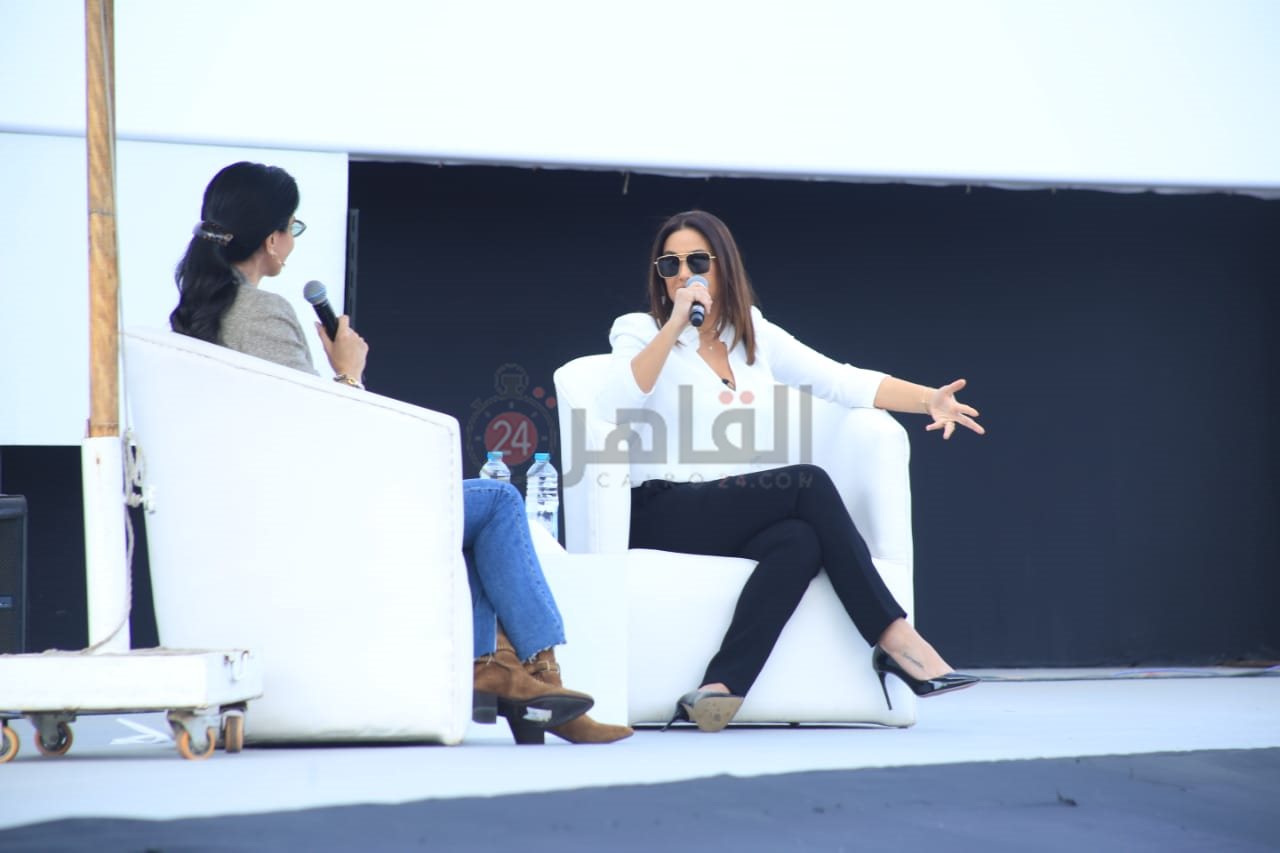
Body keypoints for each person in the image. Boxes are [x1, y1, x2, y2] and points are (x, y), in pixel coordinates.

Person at [170, 161, 630, 745]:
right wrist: (348, 372)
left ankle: (512, 680)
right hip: (316, 514)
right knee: (496, 500)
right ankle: (531, 675)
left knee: (477, 515)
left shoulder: (199, 316)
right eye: (293, 227)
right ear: (272, 239)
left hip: (268, 509)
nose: (293, 241)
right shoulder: (262, 312)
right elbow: (315, 437)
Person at [599, 209, 983, 732]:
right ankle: (894, 637)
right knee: (806, 483)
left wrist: (927, 399)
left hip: (722, 510)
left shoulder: (752, 333)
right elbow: (617, 401)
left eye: (697, 262)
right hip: (657, 507)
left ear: (723, 266)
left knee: (798, 540)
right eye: (670, 264)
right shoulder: (639, 330)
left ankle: (721, 685)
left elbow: (841, 380)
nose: (683, 274)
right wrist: (674, 325)